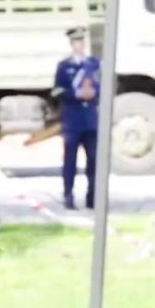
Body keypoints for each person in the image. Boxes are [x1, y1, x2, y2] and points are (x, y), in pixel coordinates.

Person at [53, 26, 101, 210]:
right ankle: (68, 195)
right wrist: (76, 94)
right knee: (70, 161)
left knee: (93, 161)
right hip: (72, 120)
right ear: (72, 44)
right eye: (76, 42)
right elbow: (57, 90)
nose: (79, 45)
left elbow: (103, 85)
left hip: (90, 120)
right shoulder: (64, 67)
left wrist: (93, 93)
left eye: (82, 42)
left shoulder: (93, 64)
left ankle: (92, 197)